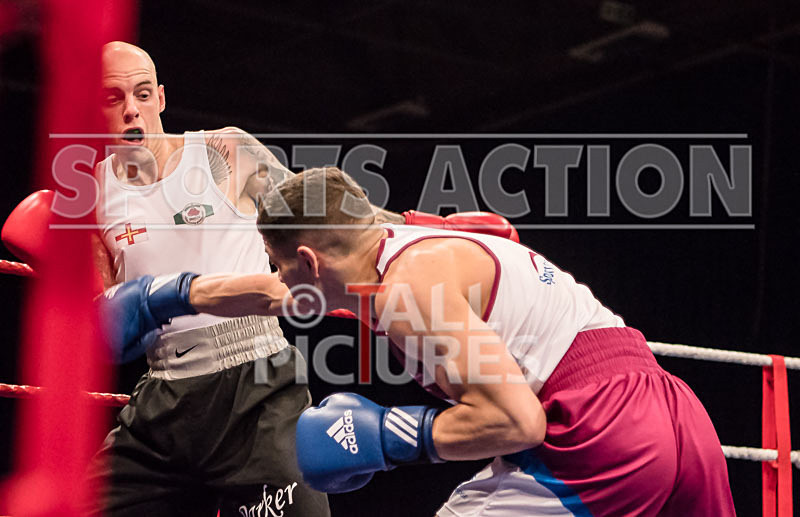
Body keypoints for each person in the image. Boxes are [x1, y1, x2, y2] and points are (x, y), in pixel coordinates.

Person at [102, 166, 736, 516]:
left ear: (307, 260)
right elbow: (270, 294)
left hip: (593, 435)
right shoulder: (385, 247)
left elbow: (519, 422)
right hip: (677, 416)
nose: (275, 278)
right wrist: (171, 295)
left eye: (277, 261)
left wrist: (384, 436)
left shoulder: (408, 290)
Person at [71, 42, 520, 516]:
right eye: (112, 98)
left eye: (142, 94)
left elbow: (326, 215)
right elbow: (106, 318)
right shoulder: (92, 194)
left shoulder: (223, 152)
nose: (131, 111)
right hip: (163, 397)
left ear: (160, 98)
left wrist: (431, 228)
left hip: (255, 386)